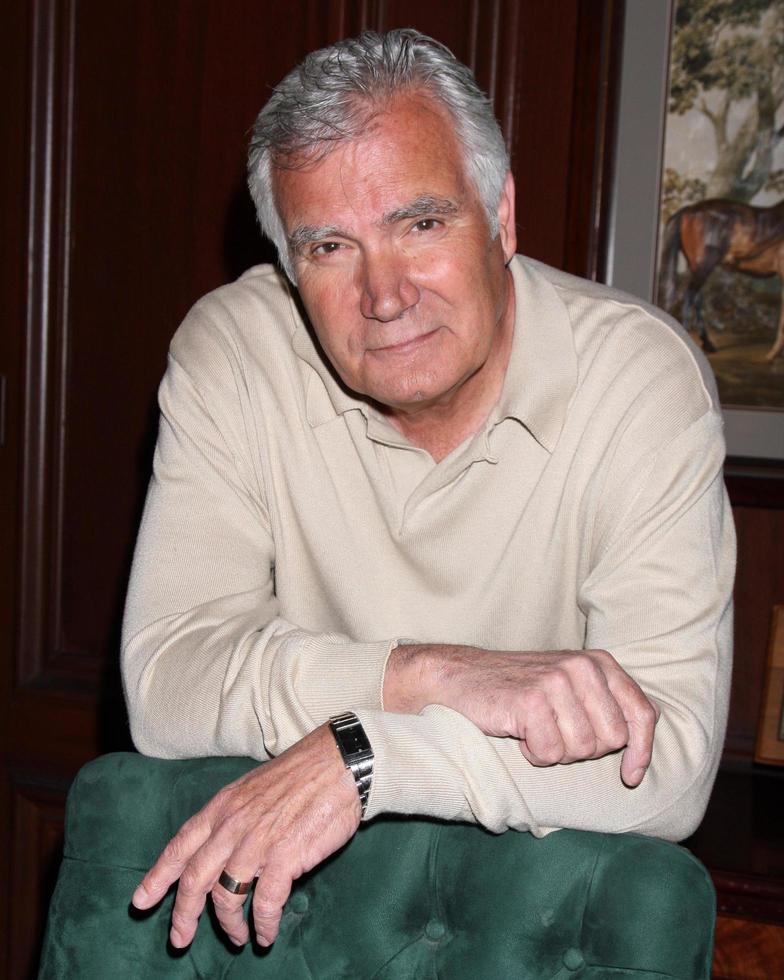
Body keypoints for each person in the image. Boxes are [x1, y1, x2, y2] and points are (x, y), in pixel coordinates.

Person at [125, 29, 735, 953]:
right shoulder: (235, 355)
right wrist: (424, 676)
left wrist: (369, 753)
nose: (384, 295)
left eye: (421, 224)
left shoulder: (640, 382)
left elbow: (671, 766)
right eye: (330, 246)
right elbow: (164, 682)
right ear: (291, 271)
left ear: (502, 215)